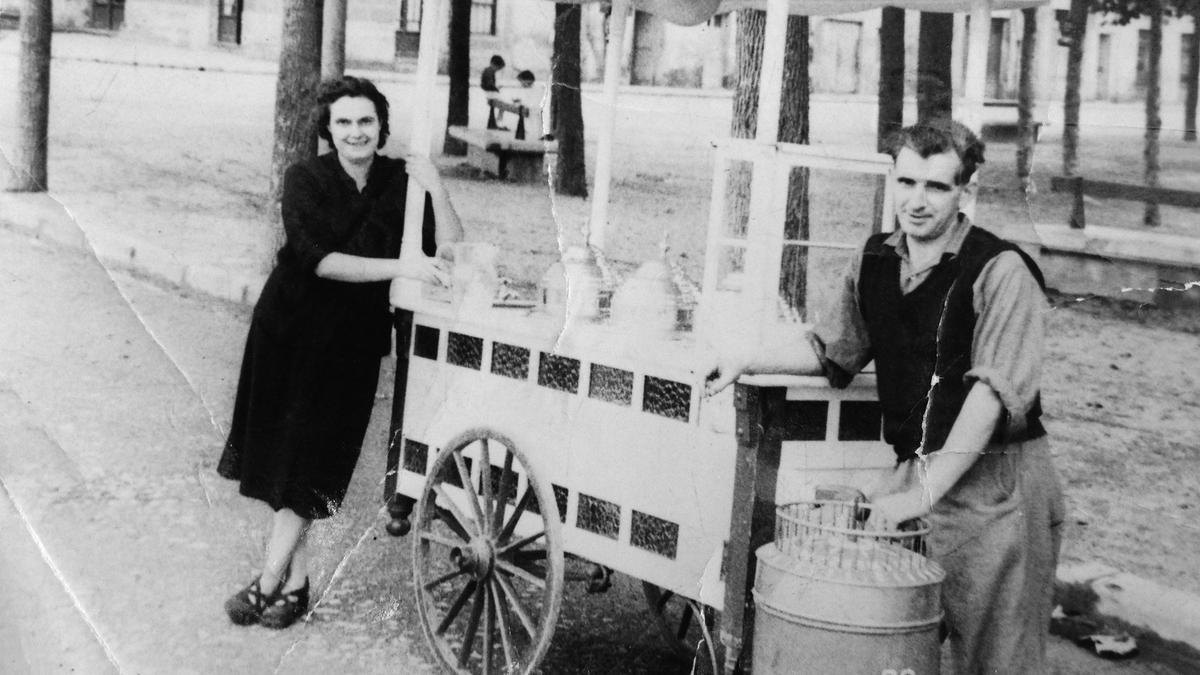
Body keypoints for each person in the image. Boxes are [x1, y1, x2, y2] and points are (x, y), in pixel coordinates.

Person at [706, 119, 1065, 673]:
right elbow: (835, 350)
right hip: (917, 473)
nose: (916, 202)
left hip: (997, 488)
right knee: (885, 638)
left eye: (936, 187)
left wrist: (918, 495)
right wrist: (746, 358)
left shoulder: (1000, 271)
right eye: (906, 183)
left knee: (996, 657)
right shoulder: (874, 259)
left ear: (966, 191)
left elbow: (989, 398)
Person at [218, 75, 463, 629]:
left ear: (381, 126)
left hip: (352, 342)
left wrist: (437, 188)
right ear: (328, 130)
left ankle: (272, 582)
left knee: (317, 459)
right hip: (289, 329)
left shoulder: (402, 182)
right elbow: (320, 259)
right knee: (286, 457)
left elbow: (450, 250)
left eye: (366, 121)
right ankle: (287, 582)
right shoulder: (304, 179)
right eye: (344, 123)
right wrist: (402, 265)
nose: (356, 132)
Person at [481, 54, 506, 129]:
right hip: (490, 94)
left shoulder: (488, 70)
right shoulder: (489, 71)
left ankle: (497, 122)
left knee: (503, 104)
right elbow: (489, 84)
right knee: (504, 105)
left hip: (489, 93)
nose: (497, 70)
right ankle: (498, 122)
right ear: (494, 64)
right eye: (498, 68)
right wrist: (496, 88)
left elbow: (485, 84)